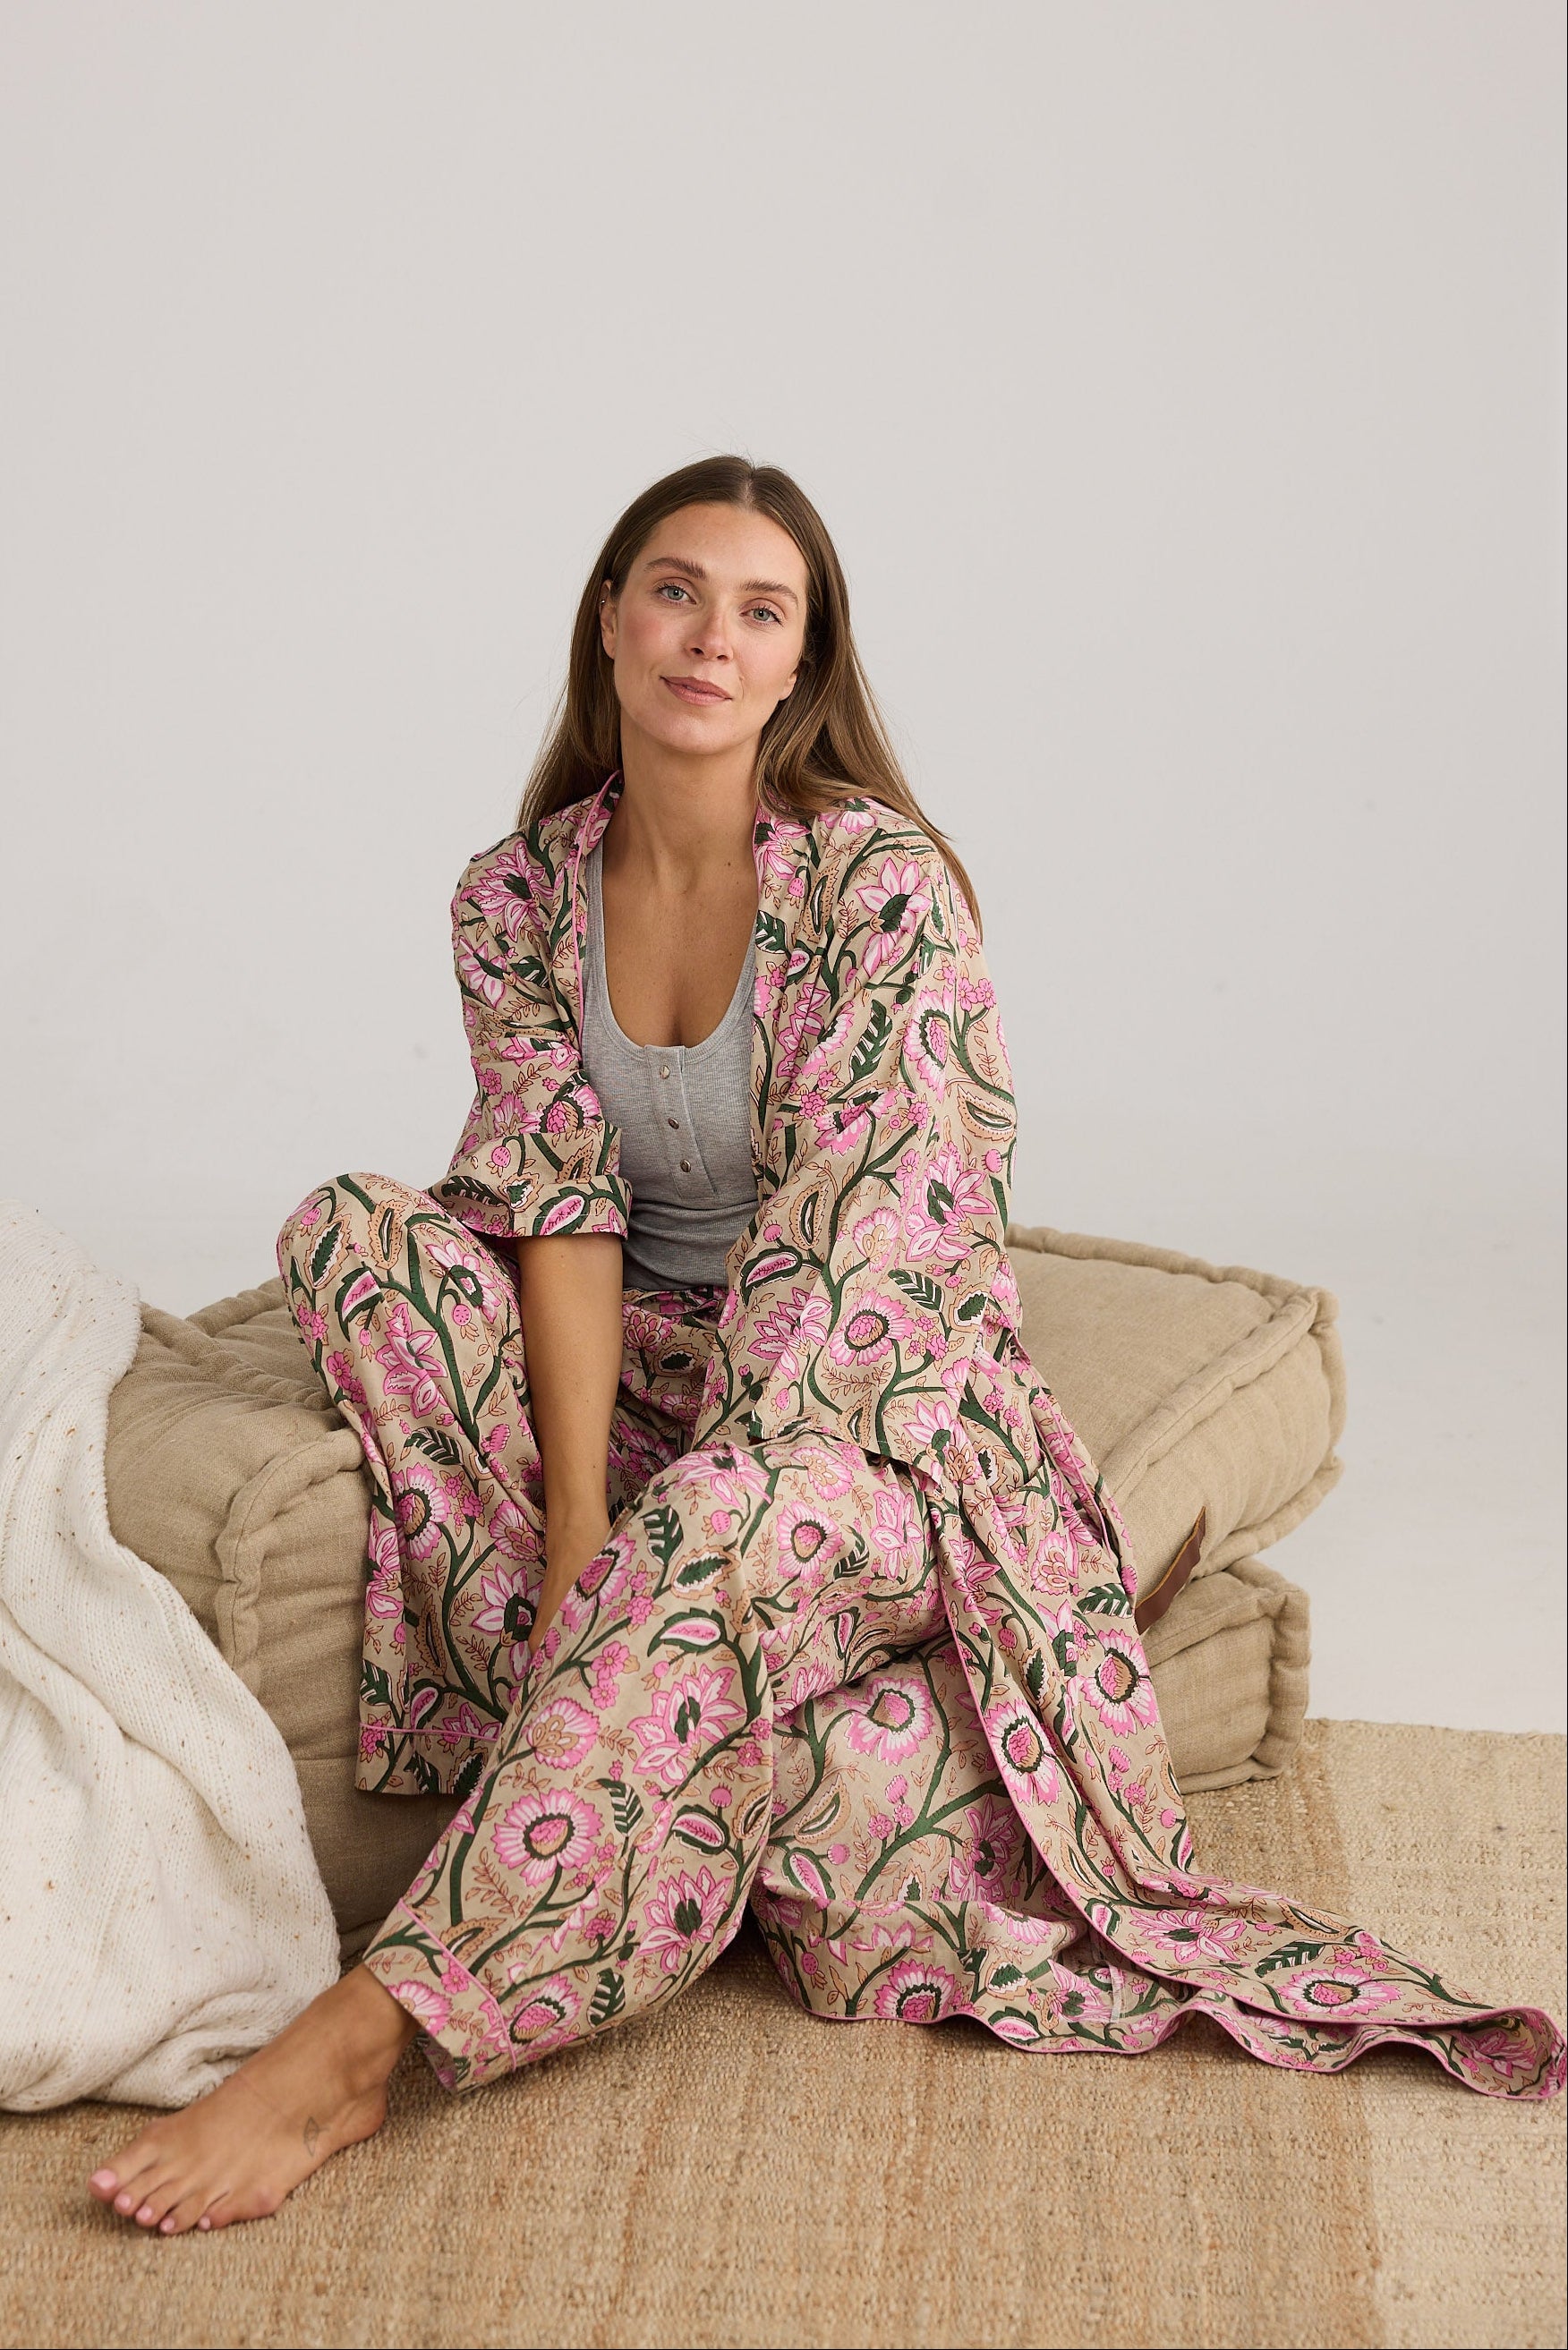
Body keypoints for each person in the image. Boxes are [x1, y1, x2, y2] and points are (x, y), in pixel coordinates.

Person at [89, 457, 1563, 2235]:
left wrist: (705, 1511)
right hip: (640, 1378)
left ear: (801, 663)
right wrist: (578, 1546)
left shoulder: (880, 886)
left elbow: (876, 1241)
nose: (710, 634)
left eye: (760, 607)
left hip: (870, 1406)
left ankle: (369, 2028)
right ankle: (603, 1710)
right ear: (610, 624)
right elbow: (558, 1205)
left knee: (727, 1530)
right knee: (363, 1230)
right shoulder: (516, 893)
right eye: (673, 589)